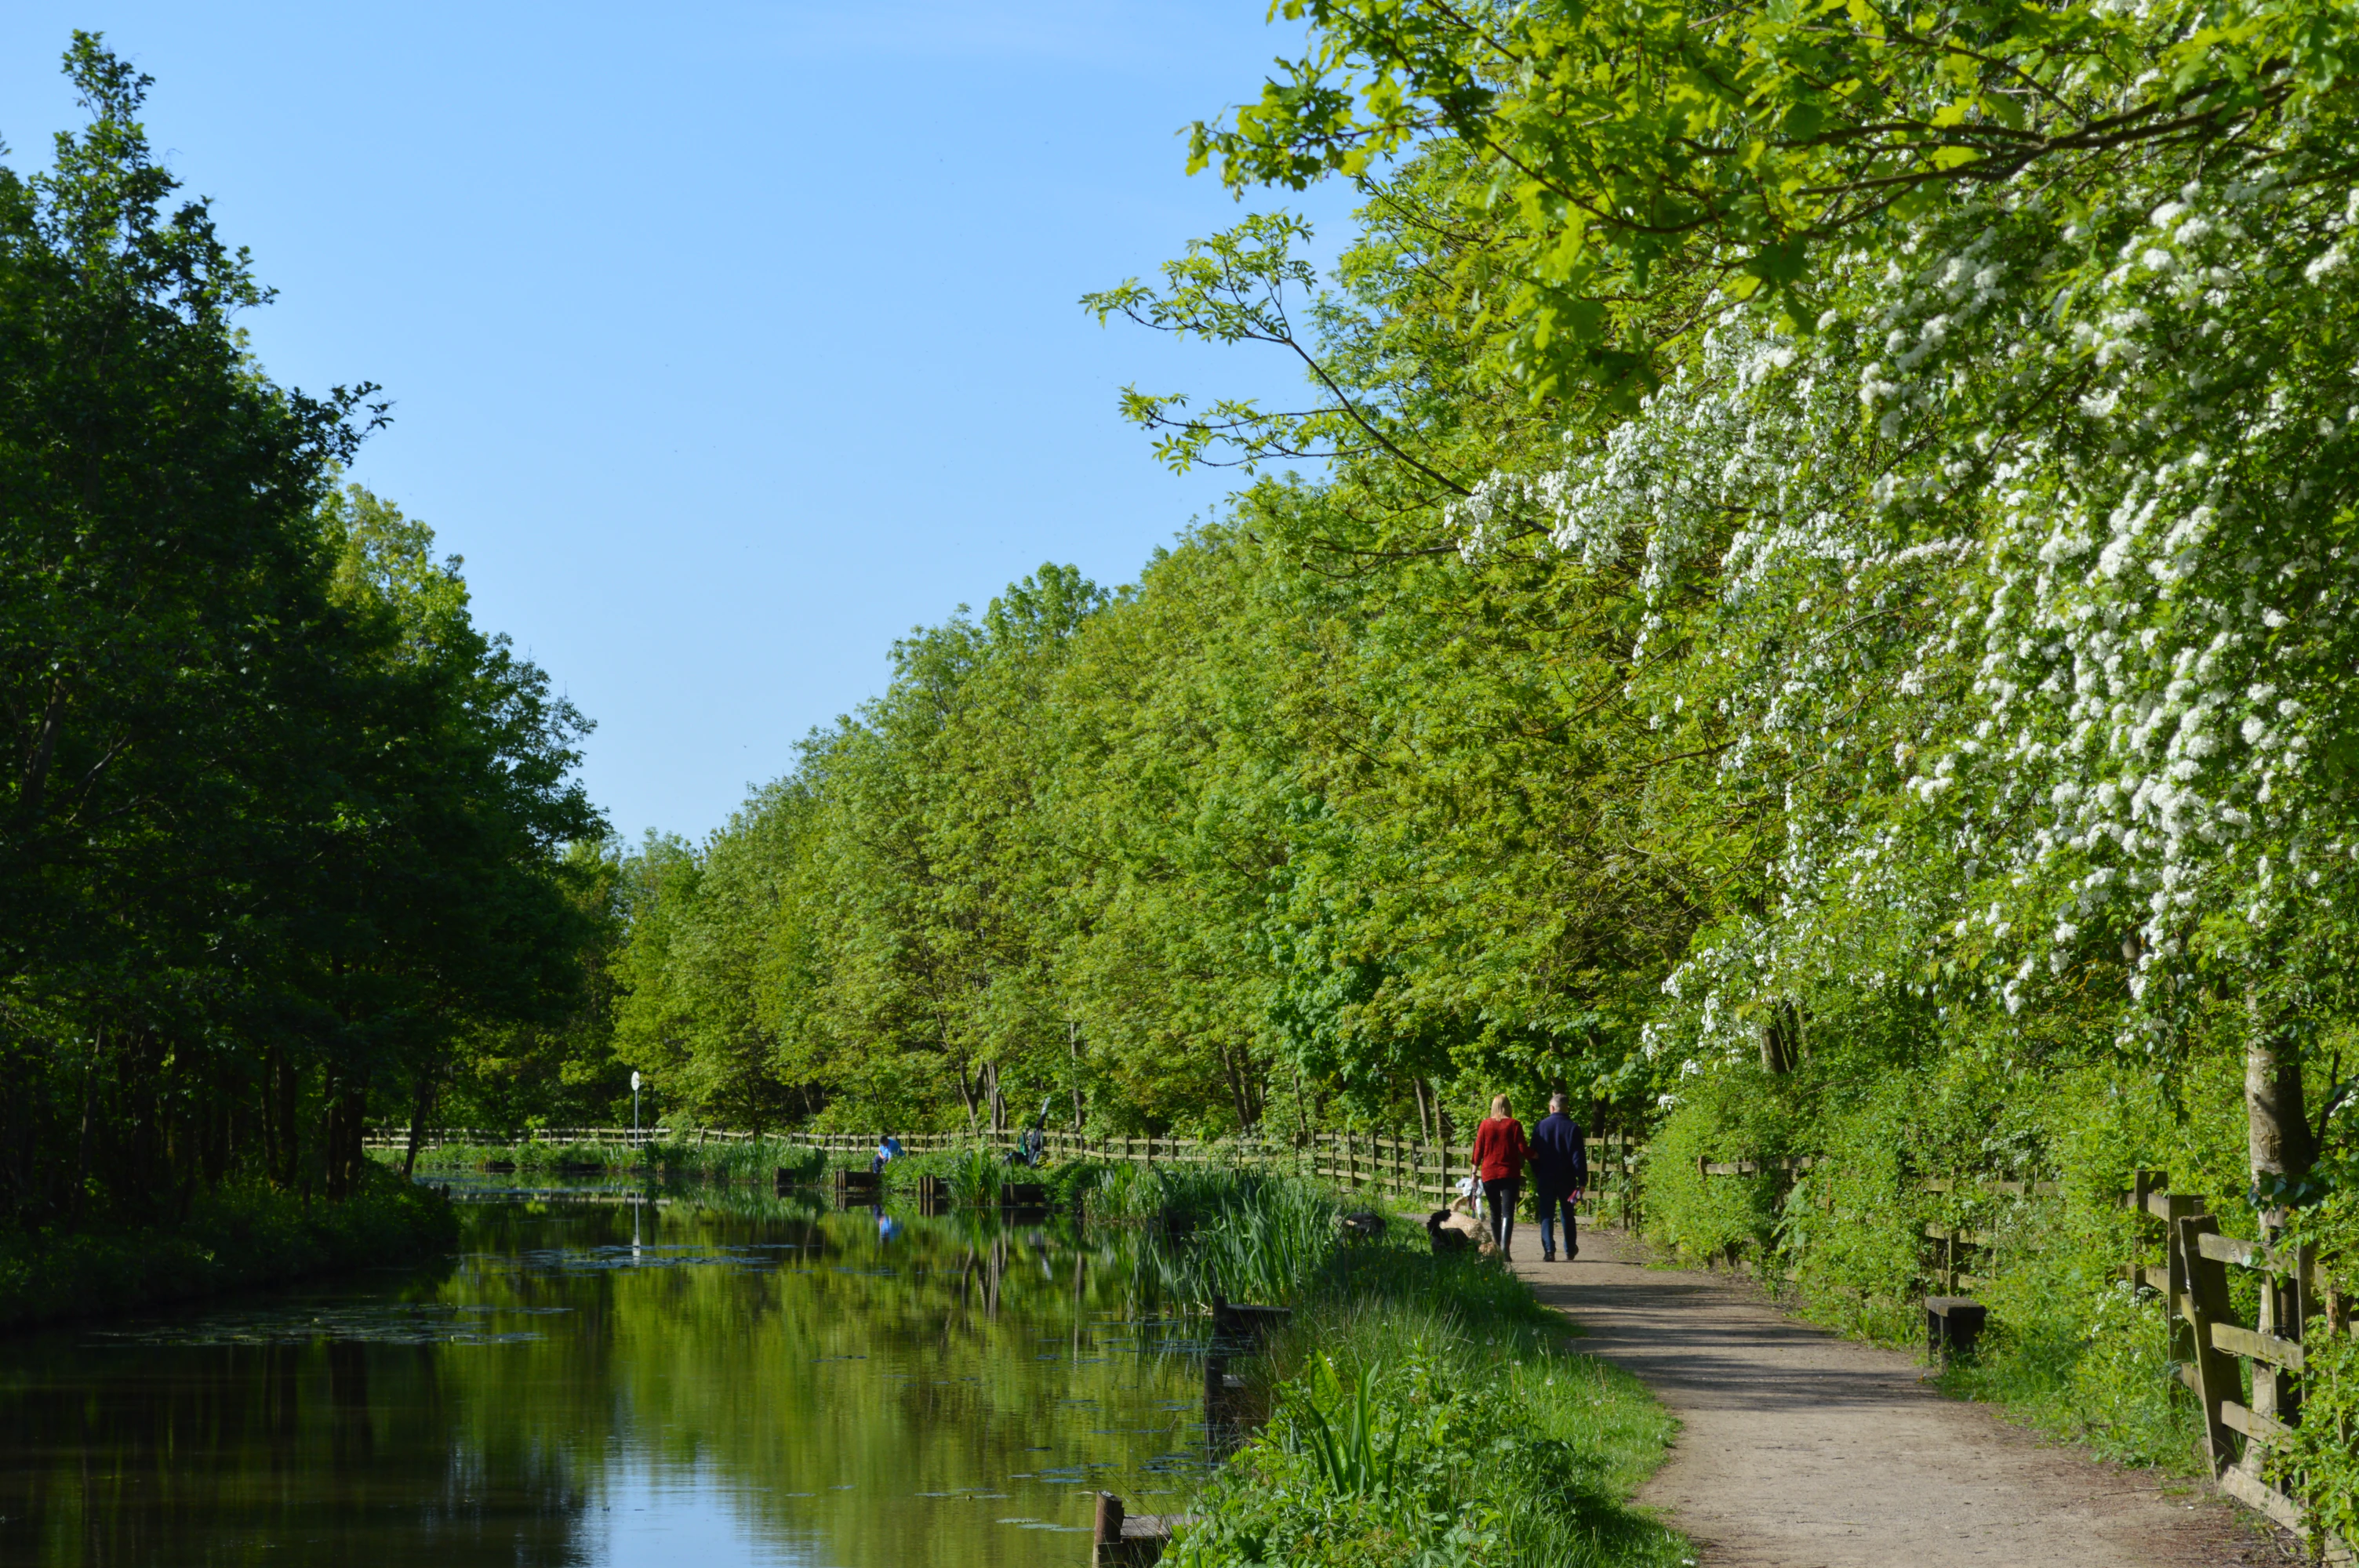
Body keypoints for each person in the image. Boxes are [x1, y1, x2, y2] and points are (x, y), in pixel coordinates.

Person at [1529, 1093, 1588, 1262]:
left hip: (1546, 1177)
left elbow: (1533, 1153)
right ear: (1566, 1107)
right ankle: (1570, 1249)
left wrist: (1537, 1172)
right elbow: (1578, 1157)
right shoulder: (1573, 1128)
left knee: (1546, 1214)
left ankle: (1549, 1250)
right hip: (1567, 1178)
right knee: (1567, 1214)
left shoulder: (1540, 1126)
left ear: (1552, 1108)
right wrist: (1582, 1180)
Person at [1470, 1094, 1529, 1260]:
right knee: (1508, 1212)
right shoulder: (1514, 1124)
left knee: (1495, 1212)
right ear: (1508, 1106)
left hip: (1490, 1173)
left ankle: (1497, 1247)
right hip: (1510, 1173)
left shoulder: (1485, 1125)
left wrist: (1474, 1173)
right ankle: (1505, 1249)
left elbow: (1478, 1150)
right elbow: (1522, 1148)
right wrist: (1536, 1155)